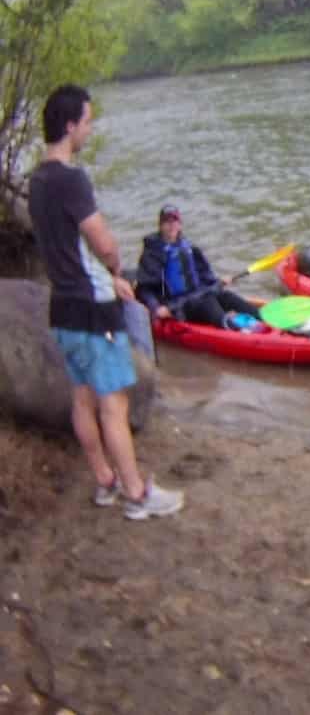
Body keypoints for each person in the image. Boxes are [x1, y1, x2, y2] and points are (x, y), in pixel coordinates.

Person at [27, 85, 184, 520]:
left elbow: (62, 248)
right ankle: (136, 495)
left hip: (62, 307)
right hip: (94, 309)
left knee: (83, 398)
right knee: (114, 403)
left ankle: (105, 481)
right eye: (88, 121)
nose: (91, 130)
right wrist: (115, 270)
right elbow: (100, 240)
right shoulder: (69, 178)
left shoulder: (36, 180)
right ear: (71, 125)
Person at [135, 205, 262, 329]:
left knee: (226, 296)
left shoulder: (188, 247)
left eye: (174, 221)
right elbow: (144, 289)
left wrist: (218, 281)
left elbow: (205, 277)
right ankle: (235, 329)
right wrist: (156, 308)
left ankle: (261, 318)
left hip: (199, 295)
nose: (171, 225)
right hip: (176, 306)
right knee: (209, 304)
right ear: (160, 225)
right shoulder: (153, 253)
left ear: (180, 224)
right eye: (167, 222)